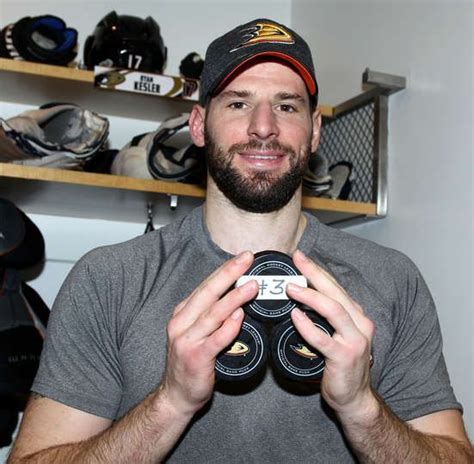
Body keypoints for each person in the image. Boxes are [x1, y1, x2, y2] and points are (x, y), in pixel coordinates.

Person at [8, 18, 472, 463]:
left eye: (287, 105)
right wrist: (171, 403)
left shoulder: (392, 279)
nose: (264, 126)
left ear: (314, 133)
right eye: (238, 103)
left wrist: (360, 408)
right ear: (197, 125)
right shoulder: (109, 278)